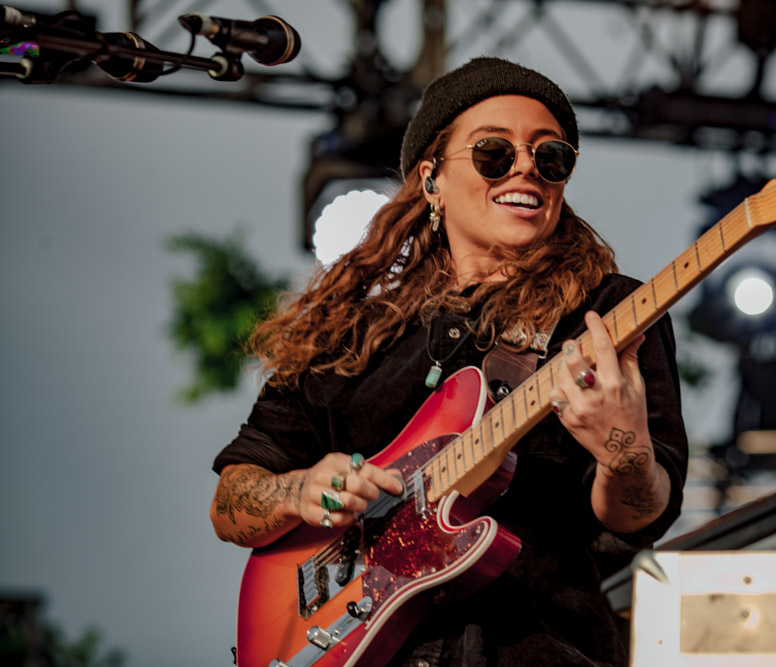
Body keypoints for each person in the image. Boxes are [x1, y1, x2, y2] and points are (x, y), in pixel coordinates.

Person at [211, 57, 688, 666]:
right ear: (431, 178)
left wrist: (623, 446)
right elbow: (230, 504)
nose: (526, 169)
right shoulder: (347, 336)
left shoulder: (604, 315)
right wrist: (298, 490)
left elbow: (640, 517)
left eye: (551, 158)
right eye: (494, 152)